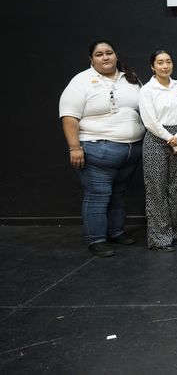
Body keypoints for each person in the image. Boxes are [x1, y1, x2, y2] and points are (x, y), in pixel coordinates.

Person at [59, 40, 144, 257]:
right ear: (91, 59)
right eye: (99, 54)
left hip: (131, 151)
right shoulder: (81, 81)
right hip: (97, 149)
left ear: (116, 55)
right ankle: (96, 239)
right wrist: (74, 148)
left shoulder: (130, 79)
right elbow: (69, 116)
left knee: (118, 194)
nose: (105, 57)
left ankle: (115, 231)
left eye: (109, 53)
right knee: (99, 195)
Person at [139, 50, 177, 251]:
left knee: (176, 189)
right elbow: (150, 121)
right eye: (160, 62)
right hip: (156, 140)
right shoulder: (147, 90)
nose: (165, 66)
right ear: (153, 66)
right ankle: (160, 238)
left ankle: (174, 232)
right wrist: (170, 138)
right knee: (157, 191)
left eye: (168, 61)